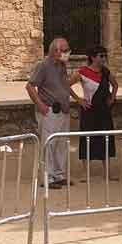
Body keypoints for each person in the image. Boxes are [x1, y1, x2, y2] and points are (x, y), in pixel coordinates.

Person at [26, 37, 80, 189]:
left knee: (61, 143)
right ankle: (47, 177)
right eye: (64, 50)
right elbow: (30, 86)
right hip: (49, 110)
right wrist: (41, 105)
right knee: (48, 144)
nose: (67, 53)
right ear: (55, 51)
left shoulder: (62, 66)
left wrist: (75, 99)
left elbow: (64, 85)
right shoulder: (43, 66)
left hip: (62, 110)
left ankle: (59, 174)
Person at [71, 45, 117, 170]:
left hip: (104, 110)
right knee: (87, 139)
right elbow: (66, 85)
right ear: (93, 57)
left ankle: (107, 171)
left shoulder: (106, 72)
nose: (103, 58)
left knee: (105, 138)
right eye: (101, 56)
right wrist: (79, 100)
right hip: (89, 110)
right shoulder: (83, 72)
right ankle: (86, 171)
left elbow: (115, 85)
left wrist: (112, 98)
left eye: (105, 56)